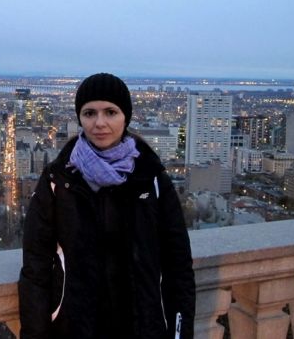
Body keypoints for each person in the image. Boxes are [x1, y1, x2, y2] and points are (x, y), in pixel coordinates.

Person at [18, 73, 195, 338]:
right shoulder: (58, 180)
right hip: (75, 329)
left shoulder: (152, 179)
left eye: (110, 112)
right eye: (90, 113)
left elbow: (177, 265)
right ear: (80, 118)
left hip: (142, 327)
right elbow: (36, 266)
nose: (100, 123)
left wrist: (180, 334)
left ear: (126, 117)